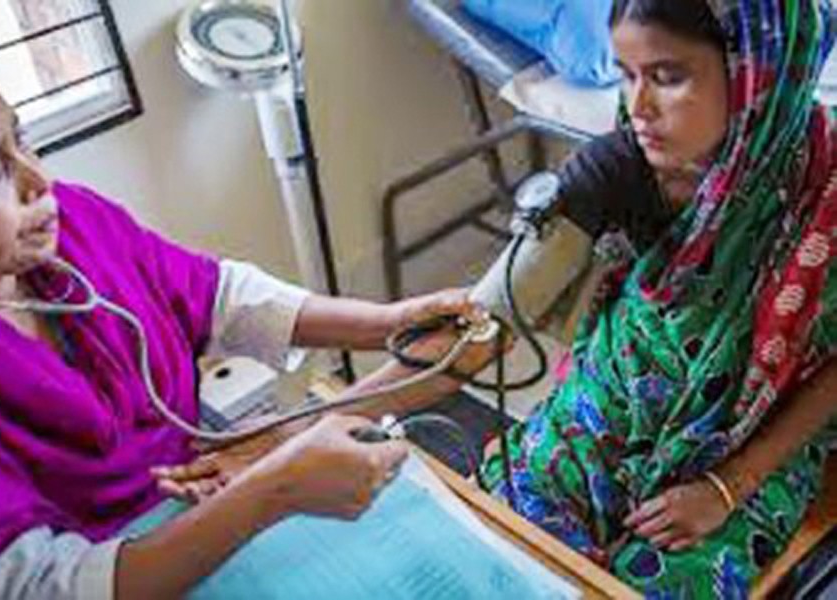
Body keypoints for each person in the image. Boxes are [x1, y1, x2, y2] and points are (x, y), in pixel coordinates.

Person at [166, 0, 837, 597]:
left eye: (667, 77)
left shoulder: (825, 194)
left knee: (667, 579)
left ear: (759, 74)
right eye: (627, 75)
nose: (637, 110)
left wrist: (730, 487)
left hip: (751, 443)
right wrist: (293, 436)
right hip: (614, 403)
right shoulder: (617, 168)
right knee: (507, 549)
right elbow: (480, 331)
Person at [0, 43, 477, 599]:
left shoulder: (76, 223)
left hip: (203, 495)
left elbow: (215, 293)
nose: (38, 181)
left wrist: (385, 323)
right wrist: (274, 491)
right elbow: (47, 589)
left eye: (21, 139)